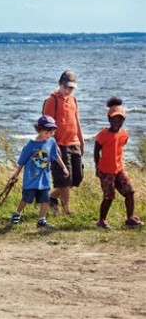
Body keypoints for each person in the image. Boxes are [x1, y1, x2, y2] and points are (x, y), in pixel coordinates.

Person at [9, 115, 69, 229]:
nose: (49, 135)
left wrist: (64, 167)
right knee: (27, 198)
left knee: (45, 199)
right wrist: (16, 174)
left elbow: (55, 156)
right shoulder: (30, 145)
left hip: (44, 178)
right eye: (46, 132)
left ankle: (41, 220)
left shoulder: (51, 142)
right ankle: (17, 214)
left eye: (51, 133)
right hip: (31, 178)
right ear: (39, 130)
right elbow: (22, 161)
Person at [94, 97, 143, 229]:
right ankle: (101, 220)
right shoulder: (102, 134)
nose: (117, 121)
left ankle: (130, 219)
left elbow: (120, 147)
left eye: (120, 119)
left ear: (123, 120)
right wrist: (98, 168)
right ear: (109, 119)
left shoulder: (124, 134)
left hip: (119, 169)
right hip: (106, 171)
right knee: (109, 197)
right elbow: (96, 151)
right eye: (114, 119)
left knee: (130, 191)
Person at [43, 70, 84, 215]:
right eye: (65, 87)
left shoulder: (73, 100)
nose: (67, 90)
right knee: (64, 179)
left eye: (71, 88)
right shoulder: (52, 100)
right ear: (60, 84)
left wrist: (81, 141)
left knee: (77, 178)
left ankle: (51, 198)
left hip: (74, 143)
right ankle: (66, 210)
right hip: (59, 145)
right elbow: (47, 127)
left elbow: (76, 121)